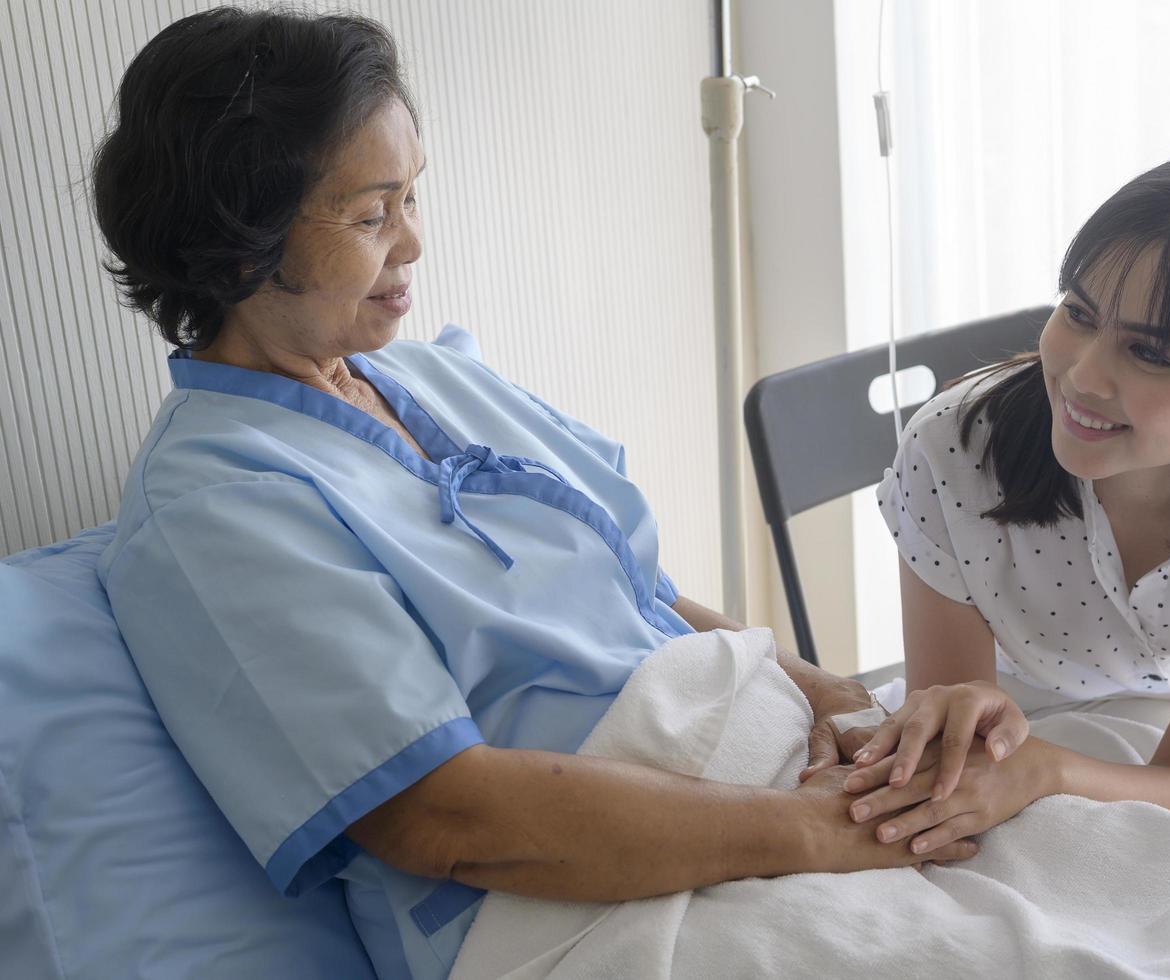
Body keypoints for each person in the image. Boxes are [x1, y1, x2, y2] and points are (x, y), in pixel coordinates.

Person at [88, 8, 1016, 979]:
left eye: (411, 195)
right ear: (240, 248)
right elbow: (447, 815)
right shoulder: (213, 504)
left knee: (1097, 858)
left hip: (759, 787)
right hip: (568, 907)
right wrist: (819, 831)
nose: (411, 243)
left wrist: (816, 686)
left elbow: (632, 589)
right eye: (371, 214)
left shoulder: (427, 376)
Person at [846, 151, 1170, 855]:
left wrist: (1050, 770)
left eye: (1150, 353)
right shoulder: (954, 449)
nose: (1083, 376)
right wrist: (1020, 760)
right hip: (1022, 701)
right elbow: (959, 751)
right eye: (1078, 313)